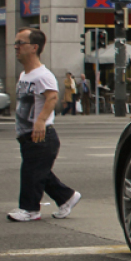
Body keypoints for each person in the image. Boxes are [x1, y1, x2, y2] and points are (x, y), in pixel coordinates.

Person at [8, 28, 81, 222]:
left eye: (20, 43)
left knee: (31, 172)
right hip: (28, 134)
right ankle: (67, 197)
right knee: (39, 172)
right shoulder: (25, 75)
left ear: (34, 47)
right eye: (15, 43)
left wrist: (40, 121)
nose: (16, 47)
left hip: (41, 135)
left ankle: (30, 210)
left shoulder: (43, 75)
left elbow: (52, 98)